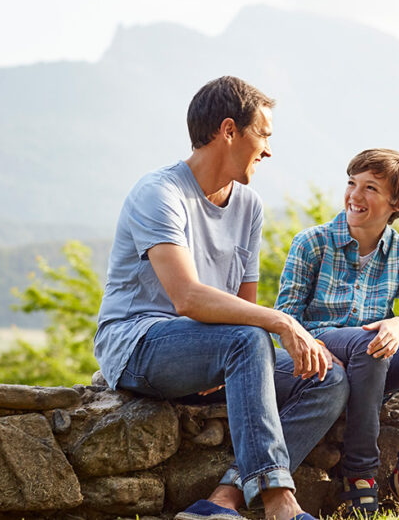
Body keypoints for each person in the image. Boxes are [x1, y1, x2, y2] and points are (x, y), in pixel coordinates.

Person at [94, 76, 347, 520]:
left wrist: (228, 352)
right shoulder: (159, 194)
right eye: (263, 135)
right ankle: (279, 503)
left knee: (325, 376)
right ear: (229, 131)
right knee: (248, 340)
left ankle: (222, 500)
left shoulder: (249, 206)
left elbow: (243, 307)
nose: (268, 150)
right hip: (138, 345)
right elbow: (187, 297)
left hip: (214, 349)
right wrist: (283, 323)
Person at [275, 149, 399, 517]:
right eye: (351, 183)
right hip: (323, 346)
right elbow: (286, 318)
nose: (354, 196)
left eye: (370, 188)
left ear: (397, 203)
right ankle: (359, 474)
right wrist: (315, 346)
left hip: (376, 359)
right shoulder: (312, 242)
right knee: (370, 342)